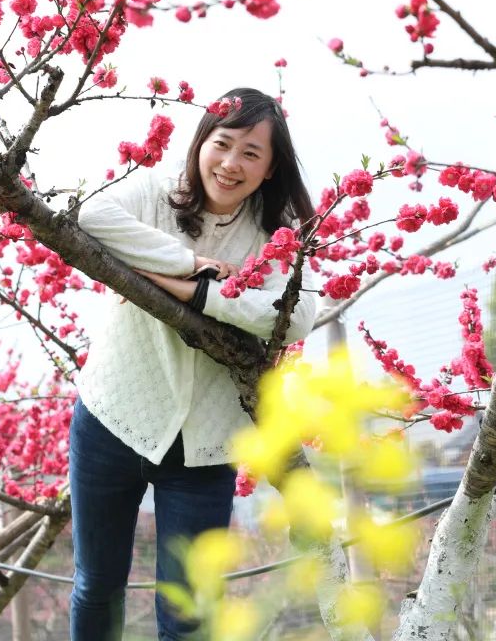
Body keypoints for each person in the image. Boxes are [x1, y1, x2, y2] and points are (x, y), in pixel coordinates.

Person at [70, 88, 318, 640]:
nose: (231, 164)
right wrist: (188, 262)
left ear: (271, 166)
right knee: (97, 584)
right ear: (201, 143)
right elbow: (89, 214)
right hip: (114, 418)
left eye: (251, 153)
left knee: (189, 610)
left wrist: (192, 293)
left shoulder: (276, 234)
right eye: (222, 144)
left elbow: (297, 315)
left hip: (206, 446)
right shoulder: (158, 191)